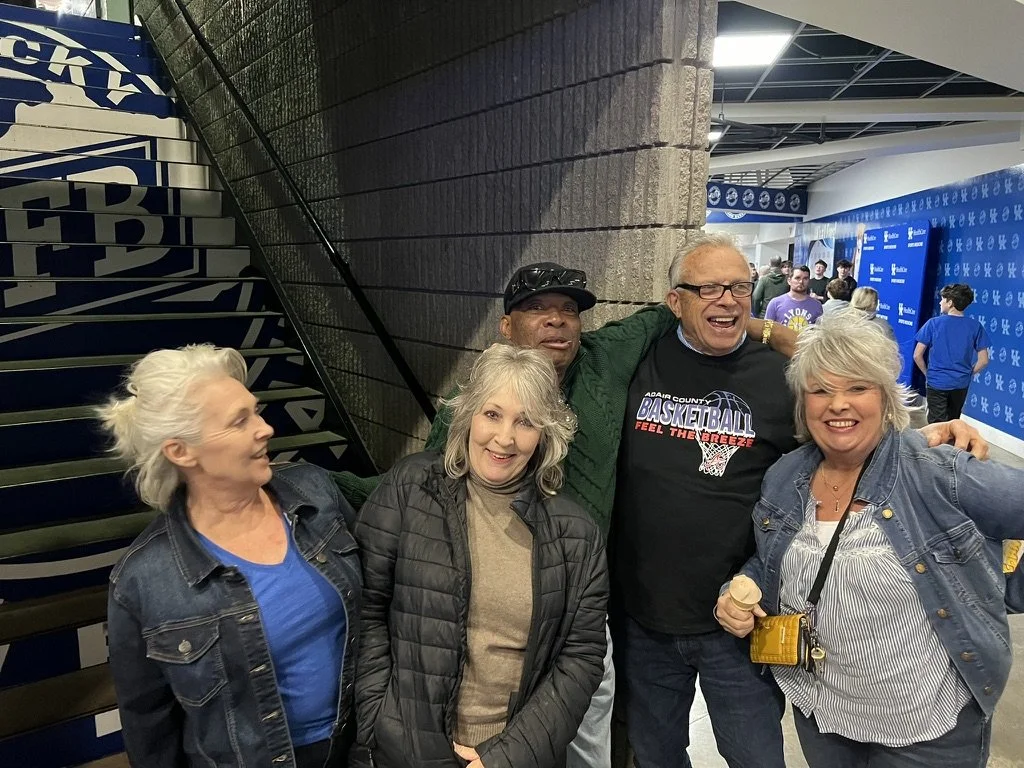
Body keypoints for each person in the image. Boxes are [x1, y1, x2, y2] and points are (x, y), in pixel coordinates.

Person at [336, 260, 795, 768]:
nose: (556, 319)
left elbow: (682, 307)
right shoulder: (472, 408)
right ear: (506, 327)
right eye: (536, 308)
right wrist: (301, 480)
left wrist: (768, 328)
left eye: (568, 310)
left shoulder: (606, 359)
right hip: (494, 615)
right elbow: (414, 492)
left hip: (584, 618)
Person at [609, 233, 988, 768]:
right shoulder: (633, 366)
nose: (729, 300)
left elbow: (844, 441)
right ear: (676, 301)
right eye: (711, 288)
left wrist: (919, 441)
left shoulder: (782, 377)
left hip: (745, 620)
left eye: (740, 286)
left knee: (757, 757)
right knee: (654, 755)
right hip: (643, 620)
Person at [715, 313, 1024, 768]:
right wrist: (736, 593)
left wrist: (1007, 581)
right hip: (821, 711)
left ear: (885, 397)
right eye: (821, 390)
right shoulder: (785, 476)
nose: (838, 404)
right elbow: (770, 561)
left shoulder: (935, 469)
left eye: (858, 387)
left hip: (926, 726)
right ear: (803, 403)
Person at [100, 345, 361, 768]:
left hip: (358, 749)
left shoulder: (316, 495)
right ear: (181, 451)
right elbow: (149, 726)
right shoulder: (143, 580)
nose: (265, 429)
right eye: (240, 421)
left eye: (255, 412)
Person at [353, 344, 608, 768]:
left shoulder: (576, 535)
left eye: (525, 422)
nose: (504, 438)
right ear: (468, 414)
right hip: (402, 750)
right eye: (492, 414)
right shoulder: (409, 488)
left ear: (545, 433)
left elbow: (579, 659)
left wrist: (509, 755)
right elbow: (365, 608)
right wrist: (383, 720)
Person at [914, 283, 990, 423]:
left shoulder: (933, 324)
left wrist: (927, 373)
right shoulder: (975, 326)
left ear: (950, 302)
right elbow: (984, 360)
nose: (940, 302)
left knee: (936, 426)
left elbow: (917, 355)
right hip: (961, 383)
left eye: (943, 299)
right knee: (953, 423)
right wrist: (968, 373)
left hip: (936, 382)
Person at [764, 264, 823, 331]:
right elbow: (766, 332)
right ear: (789, 281)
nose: (801, 282)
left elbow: (819, 334)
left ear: (809, 281)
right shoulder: (775, 303)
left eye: (805, 278)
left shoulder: (817, 305)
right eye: (797, 278)